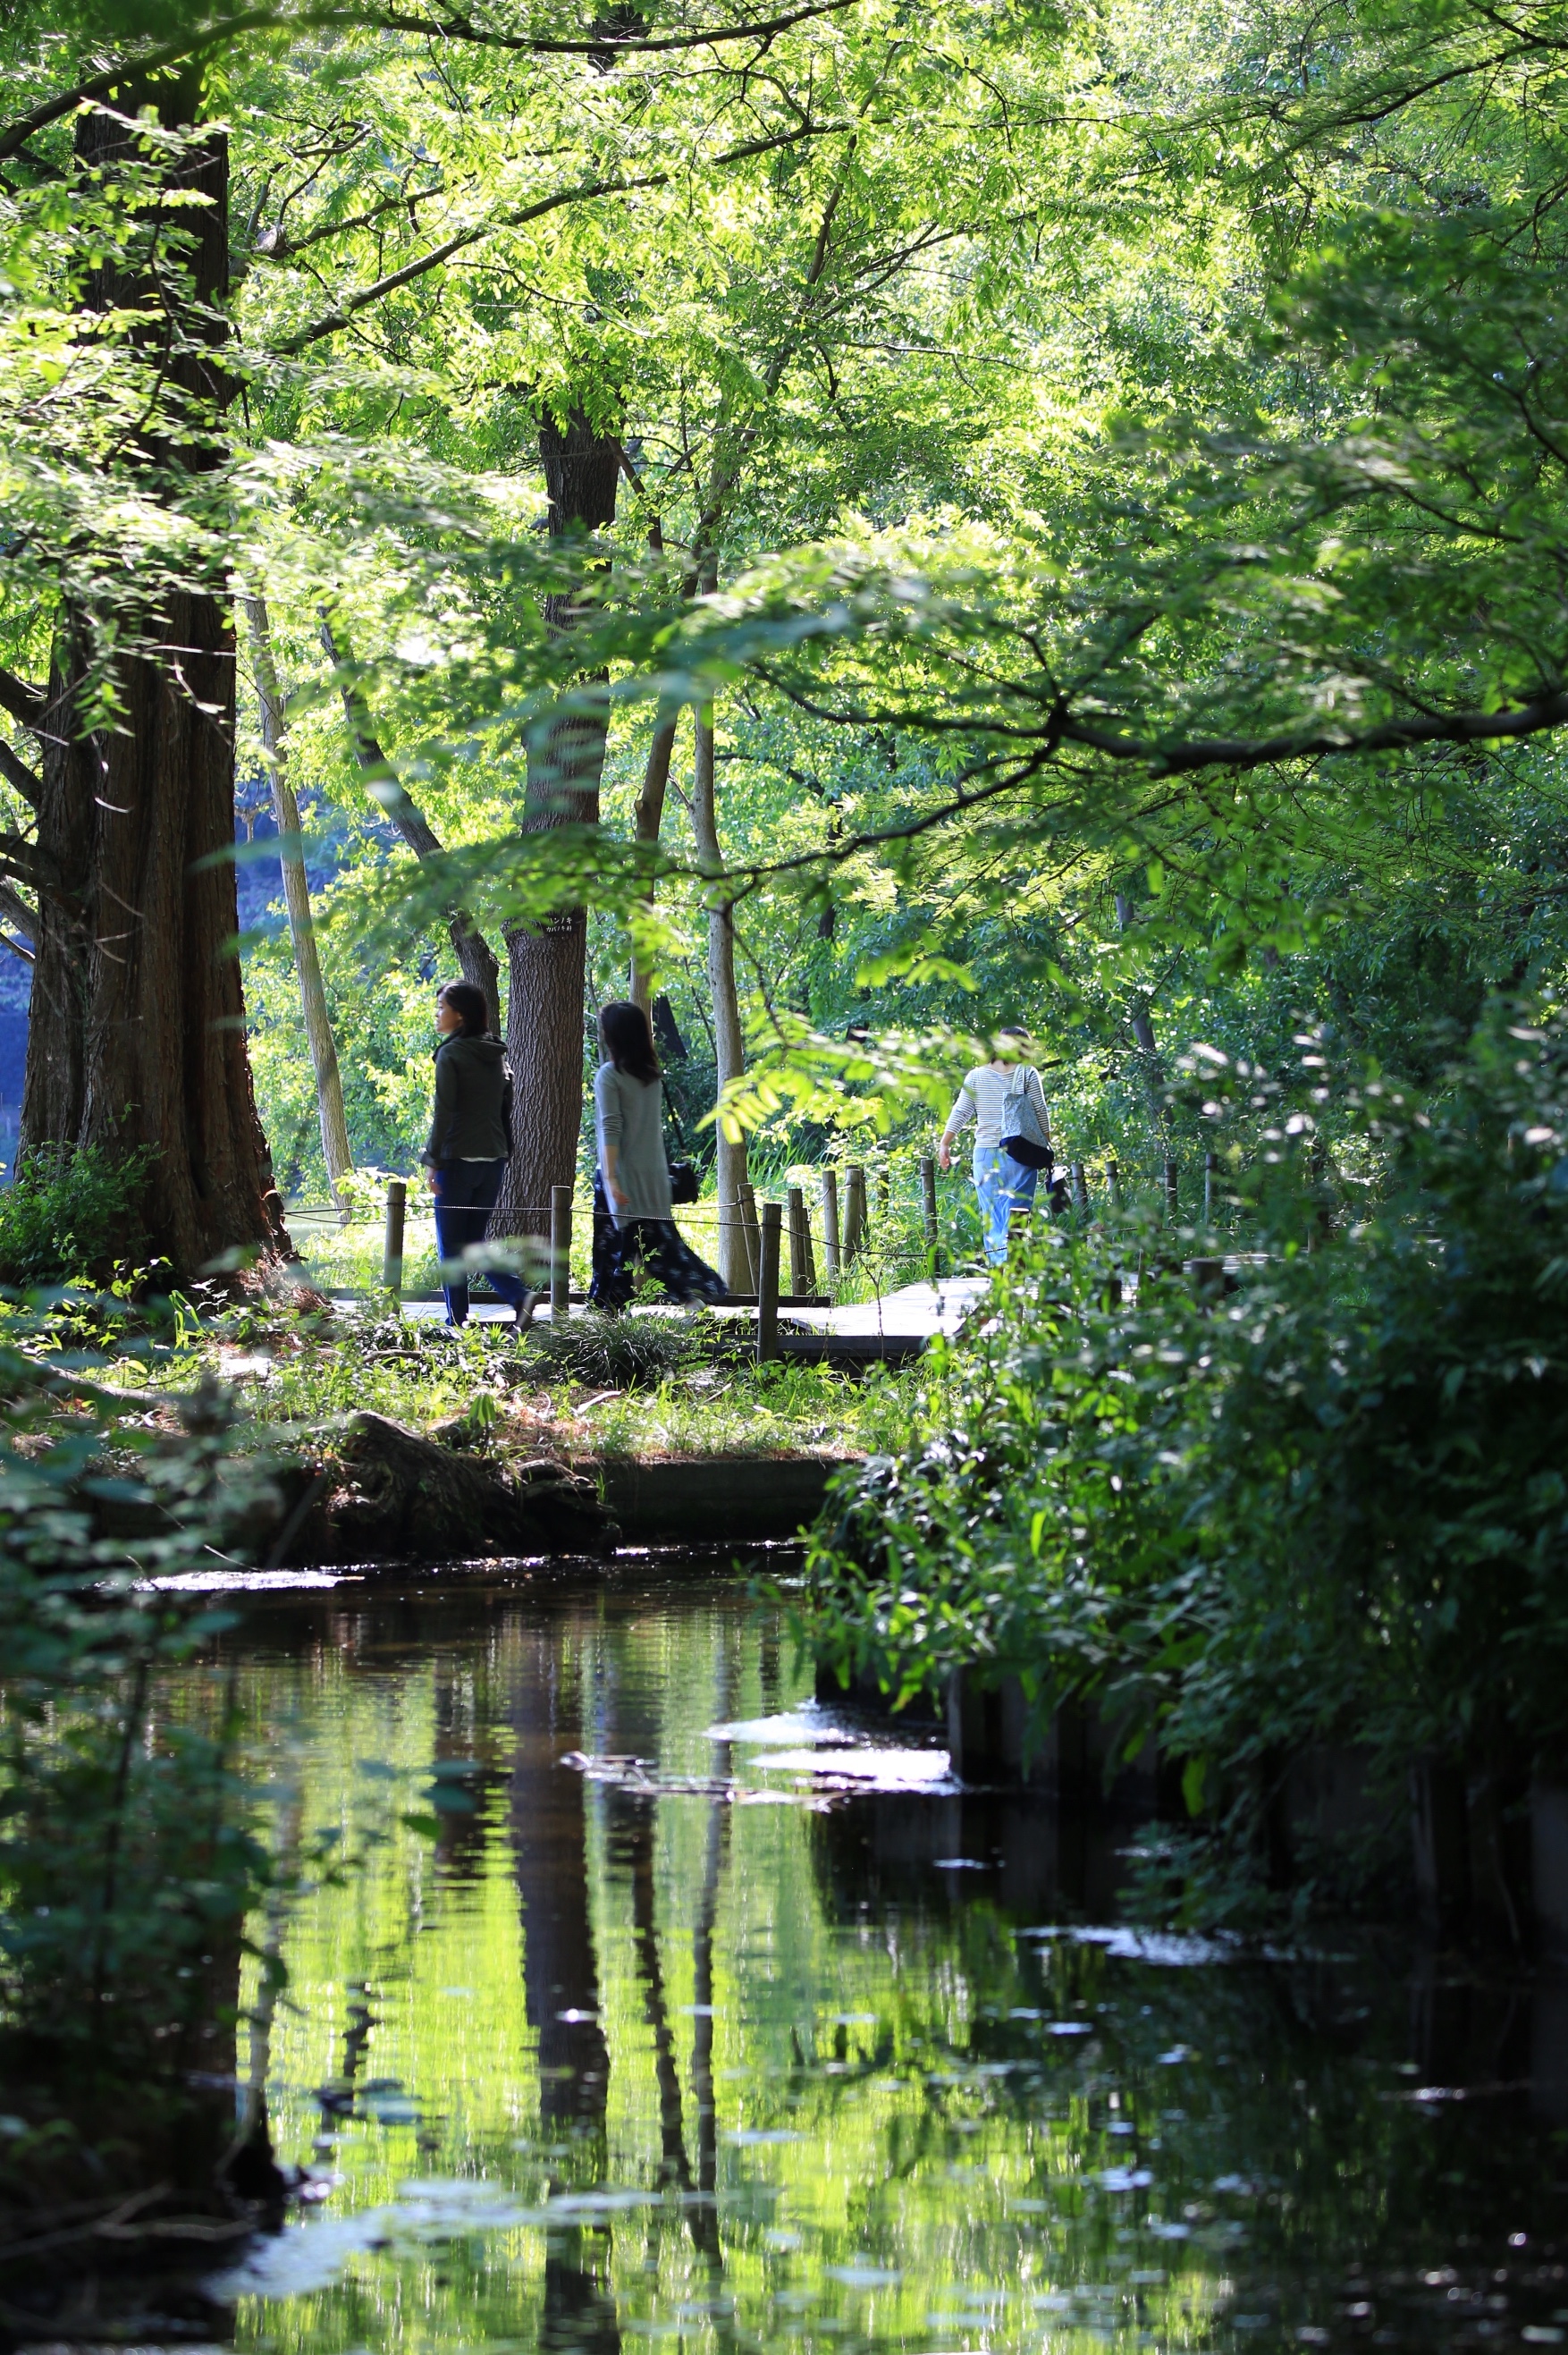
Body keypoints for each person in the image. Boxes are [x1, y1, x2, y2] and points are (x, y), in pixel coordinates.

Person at [590, 1000, 727, 1312]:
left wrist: (611, 1179)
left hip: (621, 1177)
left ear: (614, 1036)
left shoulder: (610, 1076)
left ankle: (607, 1316)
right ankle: (695, 1295)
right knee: (661, 1249)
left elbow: (612, 1127)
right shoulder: (651, 1077)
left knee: (614, 1253)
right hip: (654, 1177)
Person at [422, 981, 535, 1326]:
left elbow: (445, 1113)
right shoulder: (495, 1053)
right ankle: (519, 1296)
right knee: (474, 1241)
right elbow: (505, 1108)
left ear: (460, 1015)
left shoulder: (451, 1055)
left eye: (442, 1006)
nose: (437, 1013)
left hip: (457, 1160)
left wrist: (432, 1161)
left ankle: (456, 1321)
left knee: (452, 1245)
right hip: (493, 1160)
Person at [939, 1030, 1055, 1268]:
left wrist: (945, 1143)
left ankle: (999, 1271)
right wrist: (1047, 1146)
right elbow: (1040, 1113)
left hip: (985, 1156)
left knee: (992, 1216)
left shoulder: (976, 1076)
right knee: (1018, 1214)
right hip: (1021, 1154)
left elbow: (961, 1111)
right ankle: (1015, 1269)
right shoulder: (1027, 1074)